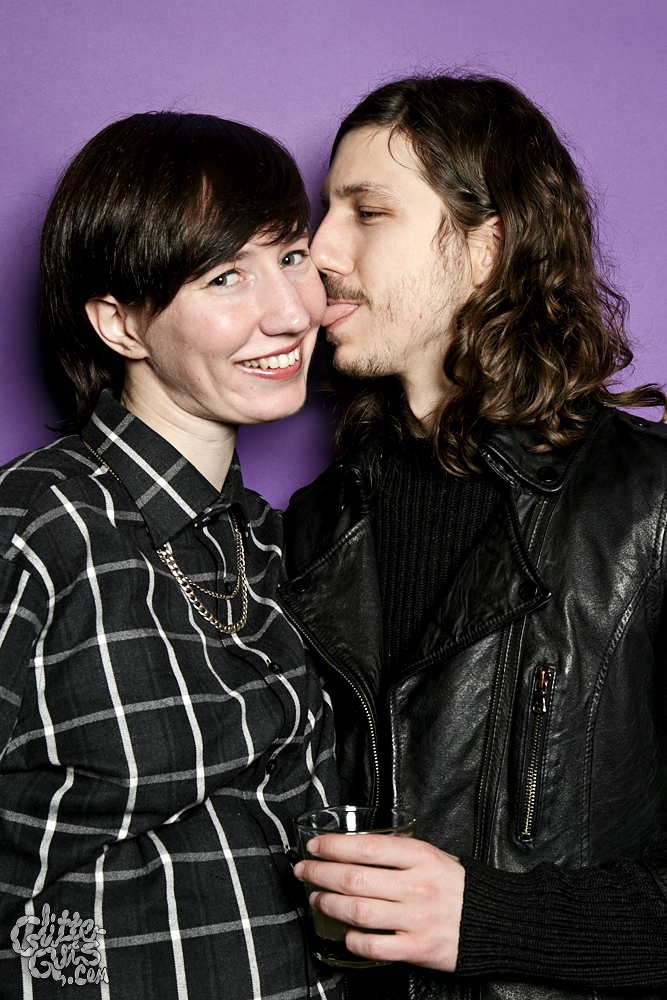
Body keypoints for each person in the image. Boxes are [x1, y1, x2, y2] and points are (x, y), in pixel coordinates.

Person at [282, 74, 667, 999]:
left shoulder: (651, 507)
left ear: (485, 250)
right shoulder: (310, 525)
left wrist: (491, 919)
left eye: (367, 211)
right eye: (325, 211)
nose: (319, 249)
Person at [0, 111, 344, 999]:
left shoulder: (273, 541)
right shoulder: (37, 525)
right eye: (225, 276)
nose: (291, 312)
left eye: (291, 255)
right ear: (120, 324)